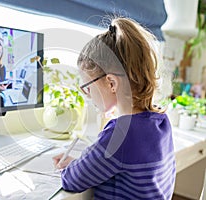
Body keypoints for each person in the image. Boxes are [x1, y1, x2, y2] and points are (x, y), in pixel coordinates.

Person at [53, 17, 176, 199]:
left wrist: (73, 167)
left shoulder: (121, 134)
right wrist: (82, 163)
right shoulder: (161, 122)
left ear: (111, 83)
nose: (87, 94)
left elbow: (72, 180)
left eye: (88, 86)